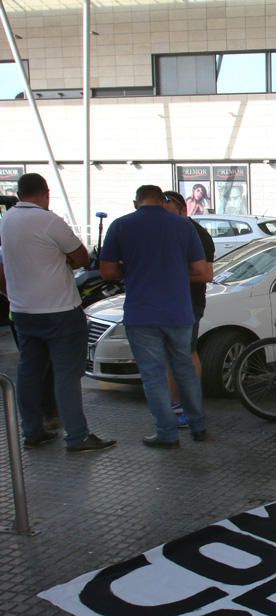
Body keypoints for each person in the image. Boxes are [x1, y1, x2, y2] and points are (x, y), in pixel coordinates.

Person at [0, 173, 115, 452]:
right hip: (59, 310)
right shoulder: (49, 220)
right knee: (66, 373)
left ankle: (32, 430)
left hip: (23, 311)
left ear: (19, 193)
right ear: (45, 192)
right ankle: (76, 435)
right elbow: (81, 257)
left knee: (29, 370)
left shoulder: (7, 221)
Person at [100, 184, 212, 447]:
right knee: (184, 367)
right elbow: (200, 269)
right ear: (162, 201)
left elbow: (107, 271)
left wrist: (134, 270)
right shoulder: (183, 226)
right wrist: (170, 271)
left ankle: (167, 433)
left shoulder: (120, 225)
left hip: (142, 312)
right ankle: (198, 425)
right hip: (179, 311)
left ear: (136, 202)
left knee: (153, 374)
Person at [162, 191, 215, 426]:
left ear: (183, 210)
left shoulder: (198, 235)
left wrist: (170, 276)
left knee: (186, 351)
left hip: (189, 301)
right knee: (170, 353)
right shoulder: (165, 232)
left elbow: (205, 274)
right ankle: (175, 401)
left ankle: (190, 406)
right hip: (167, 301)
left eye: (169, 212)